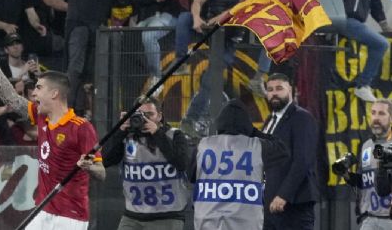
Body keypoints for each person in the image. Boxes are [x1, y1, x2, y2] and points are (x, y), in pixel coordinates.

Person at [0, 34, 106, 229]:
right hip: (44, 209)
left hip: (70, 216)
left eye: (39, 88)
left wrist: (89, 166)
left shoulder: (81, 127)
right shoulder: (41, 116)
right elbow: (10, 97)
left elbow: (101, 173)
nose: (34, 93)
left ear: (54, 94)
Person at [178, 0, 272, 136]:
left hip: (232, 35)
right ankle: (181, 61)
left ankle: (259, 76)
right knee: (184, 19)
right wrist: (197, 18)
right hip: (212, 29)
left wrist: (218, 19)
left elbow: (239, 7)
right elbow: (198, 0)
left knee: (270, 34)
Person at [190, 99, 289, 230]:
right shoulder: (257, 146)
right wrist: (252, 131)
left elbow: (191, 175)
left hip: (207, 222)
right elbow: (283, 150)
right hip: (246, 223)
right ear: (246, 124)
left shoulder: (202, 145)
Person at [101, 96, 192, 229]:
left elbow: (182, 163)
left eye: (149, 114)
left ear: (160, 116)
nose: (145, 119)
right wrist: (120, 131)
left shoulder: (174, 135)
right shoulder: (127, 137)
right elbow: (105, 160)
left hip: (167, 216)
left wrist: (156, 133)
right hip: (132, 216)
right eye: (140, 115)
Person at [315, 0, 391, 102]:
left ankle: (363, 84)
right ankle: (363, 84)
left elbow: (376, 7)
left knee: (381, 44)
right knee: (381, 44)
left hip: (352, 22)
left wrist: (387, 29)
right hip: (344, 19)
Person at [261, 73, 319, 230]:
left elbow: (302, 161)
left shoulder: (302, 118)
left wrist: (284, 195)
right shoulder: (269, 121)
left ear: (291, 90)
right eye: (270, 89)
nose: (274, 93)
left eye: (279, 88)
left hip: (294, 204)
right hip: (270, 204)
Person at [342, 100, 392, 229]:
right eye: (373, 113)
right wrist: (346, 174)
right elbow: (363, 182)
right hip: (370, 219)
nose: (376, 118)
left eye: (382, 113)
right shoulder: (367, 145)